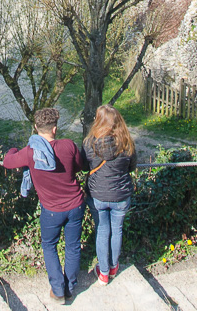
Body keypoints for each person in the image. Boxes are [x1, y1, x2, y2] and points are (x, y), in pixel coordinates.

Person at [4, 108, 87, 304]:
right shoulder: (68, 146)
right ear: (55, 129)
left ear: (36, 127)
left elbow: (8, 162)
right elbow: (79, 166)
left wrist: (13, 150)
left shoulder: (31, 152)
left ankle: (58, 290)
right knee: (73, 246)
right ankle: (70, 287)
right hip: (75, 204)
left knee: (50, 245)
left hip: (52, 210)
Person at [83, 105, 137, 287]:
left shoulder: (90, 143)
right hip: (121, 195)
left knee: (102, 231)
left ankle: (103, 273)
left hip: (98, 194)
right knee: (117, 230)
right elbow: (132, 166)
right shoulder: (127, 142)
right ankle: (113, 267)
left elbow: (85, 166)